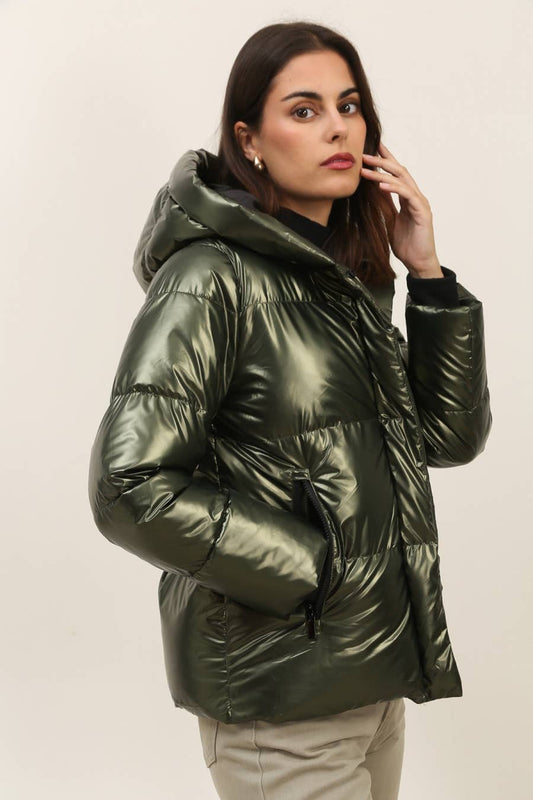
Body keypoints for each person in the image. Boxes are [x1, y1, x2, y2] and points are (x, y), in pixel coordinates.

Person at [87, 20, 491, 800]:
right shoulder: (209, 278)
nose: (337, 127)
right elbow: (128, 485)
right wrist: (311, 569)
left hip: (367, 679)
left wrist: (427, 277)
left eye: (348, 105)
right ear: (250, 141)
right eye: (303, 110)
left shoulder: (343, 279)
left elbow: (446, 439)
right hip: (279, 696)